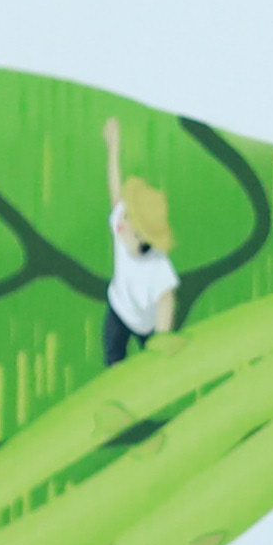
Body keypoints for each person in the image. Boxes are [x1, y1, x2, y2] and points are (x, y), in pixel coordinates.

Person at [100, 117, 185, 368]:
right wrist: (114, 147)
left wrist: (162, 337)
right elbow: (115, 192)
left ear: (143, 237)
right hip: (118, 309)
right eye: (126, 214)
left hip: (146, 324)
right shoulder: (121, 228)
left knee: (154, 366)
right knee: (113, 360)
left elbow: (166, 301)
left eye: (129, 220)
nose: (121, 221)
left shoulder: (158, 268)